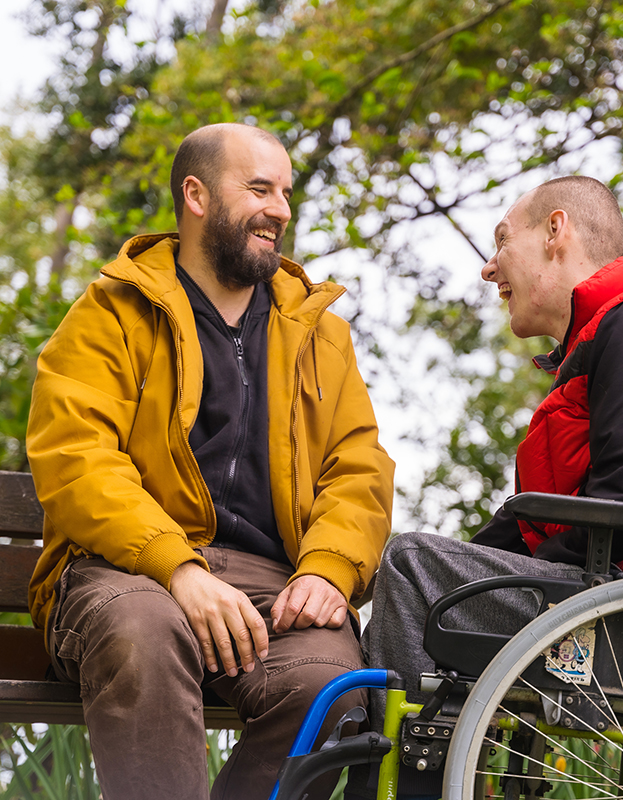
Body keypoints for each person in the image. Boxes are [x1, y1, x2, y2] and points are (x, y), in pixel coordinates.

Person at [346, 175, 623, 800]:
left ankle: (400, 784)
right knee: (423, 568)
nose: (489, 270)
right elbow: (531, 523)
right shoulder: (609, 338)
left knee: (408, 565)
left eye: (502, 242)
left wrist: (487, 574)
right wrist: (482, 566)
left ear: (556, 231)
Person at [26, 122, 395, 800]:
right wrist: (180, 569)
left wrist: (329, 568)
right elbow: (78, 459)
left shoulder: (320, 332)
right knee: (145, 632)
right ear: (195, 195)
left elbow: (358, 468)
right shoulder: (110, 312)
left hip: (271, 586)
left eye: (285, 192)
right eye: (259, 189)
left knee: (331, 690)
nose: (280, 209)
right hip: (126, 571)